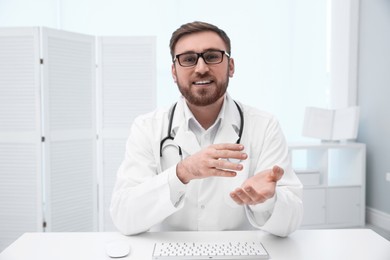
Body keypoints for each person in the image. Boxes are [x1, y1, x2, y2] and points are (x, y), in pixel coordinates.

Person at [110, 21, 303, 237]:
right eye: (189, 59)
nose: (201, 68)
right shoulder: (147, 127)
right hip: (171, 252)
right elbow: (124, 217)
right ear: (174, 72)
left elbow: (290, 222)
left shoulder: (264, 126)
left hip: (239, 253)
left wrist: (268, 201)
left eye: (212, 56)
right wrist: (182, 172)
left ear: (231, 66)